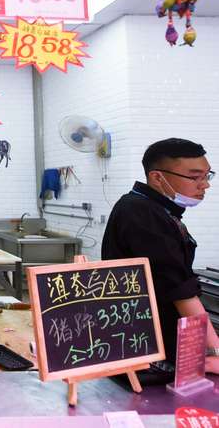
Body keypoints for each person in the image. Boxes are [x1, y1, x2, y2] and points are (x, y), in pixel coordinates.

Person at [102, 138, 219, 374]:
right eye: (195, 177)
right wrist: (214, 351)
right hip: (146, 340)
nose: (204, 185)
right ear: (157, 177)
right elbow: (178, 288)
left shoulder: (156, 209)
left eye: (208, 176)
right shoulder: (141, 212)